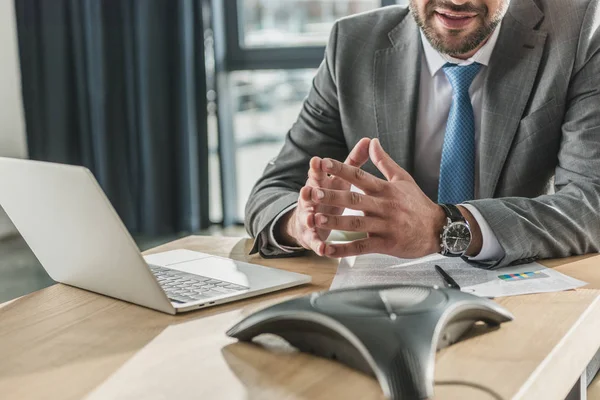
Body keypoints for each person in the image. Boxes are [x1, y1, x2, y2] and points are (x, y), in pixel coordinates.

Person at [245, 0, 600, 268]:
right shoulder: (352, 45)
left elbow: (591, 202)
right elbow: (273, 190)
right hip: (385, 304)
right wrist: (302, 222)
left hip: (530, 300)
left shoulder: (578, 31)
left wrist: (443, 227)